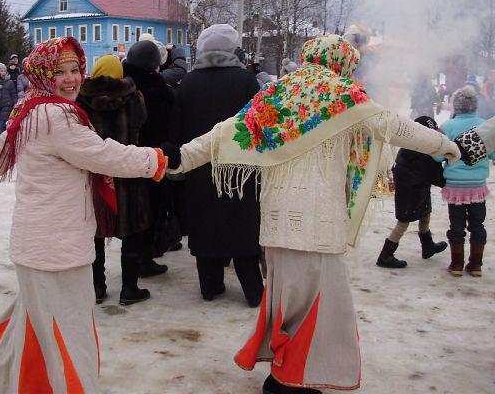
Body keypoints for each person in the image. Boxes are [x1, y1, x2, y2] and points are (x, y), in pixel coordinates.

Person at [164, 34, 461, 394]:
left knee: (286, 302)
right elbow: (397, 128)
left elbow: (224, 134)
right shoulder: (346, 97)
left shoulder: (277, 93)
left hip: (275, 223)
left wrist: (180, 157)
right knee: (319, 309)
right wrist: (445, 146)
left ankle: (283, 373)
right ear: (343, 62)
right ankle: (292, 379)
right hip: (319, 225)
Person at [0, 37, 166, 393]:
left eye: (75, 69)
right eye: (59, 71)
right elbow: (103, 155)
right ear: (41, 74)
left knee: (37, 325)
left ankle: (1, 373)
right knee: (69, 331)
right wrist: (154, 160)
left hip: (40, 244)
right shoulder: (55, 116)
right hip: (56, 248)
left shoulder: (30, 107)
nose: (70, 78)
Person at [168, 24, 263, 306]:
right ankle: (253, 290)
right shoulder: (245, 80)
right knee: (243, 223)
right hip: (240, 168)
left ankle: (210, 286)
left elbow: (177, 125)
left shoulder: (190, 82)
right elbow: (258, 123)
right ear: (232, 49)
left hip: (199, 166)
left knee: (205, 223)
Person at [77, 54, 154, 305]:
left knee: (95, 232)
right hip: (127, 171)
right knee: (131, 230)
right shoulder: (134, 97)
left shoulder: (81, 100)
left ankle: (97, 287)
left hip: (96, 175)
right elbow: (142, 123)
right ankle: (129, 289)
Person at [124, 39, 174, 277]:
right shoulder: (159, 90)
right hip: (152, 159)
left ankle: (133, 264)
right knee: (151, 210)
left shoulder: (122, 87)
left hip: (123, 159)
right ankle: (145, 259)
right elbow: (168, 127)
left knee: (130, 212)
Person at [376, 116, 447, 268]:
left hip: (411, 189)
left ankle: (428, 247)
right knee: (403, 223)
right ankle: (385, 255)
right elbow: (437, 176)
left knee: (425, 214)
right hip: (413, 191)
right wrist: (447, 180)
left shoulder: (408, 146)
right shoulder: (426, 151)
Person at [439, 86, 494, 277]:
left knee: (457, 225)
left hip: (455, 186)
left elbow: (438, 157)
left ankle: (456, 265)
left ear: (456, 105)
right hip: (477, 186)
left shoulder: (447, 127)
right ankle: (476, 265)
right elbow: (492, 152)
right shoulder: (484, 125)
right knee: (478, 225)